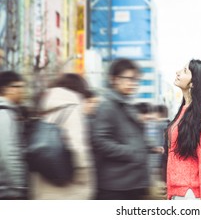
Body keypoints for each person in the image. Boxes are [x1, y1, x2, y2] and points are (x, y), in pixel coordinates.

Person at [91, 58, 150, 200]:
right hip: (116, 186)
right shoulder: (107, 106)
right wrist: (131, 152)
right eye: (129, 79)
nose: (133, 84)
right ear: (114, 79)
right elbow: (99, 141)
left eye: (136, 80)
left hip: (130, 182)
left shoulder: (126, 104)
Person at [30, 73, 94, 200]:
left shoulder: (43, 108)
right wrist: (84, 176)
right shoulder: (72, 109)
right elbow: (77, 147)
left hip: (42, 186)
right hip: (66, 189)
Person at [166, 59, 201, 200]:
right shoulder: (183, 111)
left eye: (185, 71)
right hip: (178, 193)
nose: (178, 72)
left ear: (193, 83)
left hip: (190, 194)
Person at [0, 71, 27, 199]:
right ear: (7, 89)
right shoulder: (4, 114)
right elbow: (7, 151)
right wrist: (18, 185)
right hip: (6, 188)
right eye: (18, 86)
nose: (22, 91)